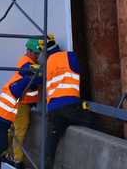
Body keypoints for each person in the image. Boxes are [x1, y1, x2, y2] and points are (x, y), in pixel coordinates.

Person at [42, 36, 93, 168]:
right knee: (93, 124)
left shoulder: (47, 64)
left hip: (53, 109)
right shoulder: (69, 56)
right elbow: (79, 71)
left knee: (51, 142)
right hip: (70, 105)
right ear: (58, 47)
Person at [5, 38, 42, 169]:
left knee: (13, 130)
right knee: (20, 130)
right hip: (22, 103)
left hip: (21, 102)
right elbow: (36, 78)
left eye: (39, 53)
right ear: (29, 51)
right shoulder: (27, 63)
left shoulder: (30, 62)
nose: (38, 55)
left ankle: (4, 154)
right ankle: (17, 161)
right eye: (37, 53)